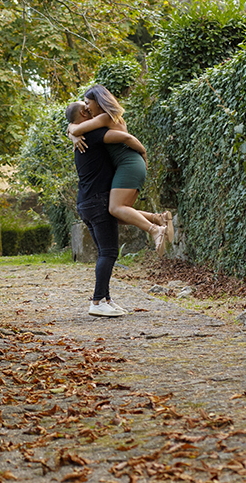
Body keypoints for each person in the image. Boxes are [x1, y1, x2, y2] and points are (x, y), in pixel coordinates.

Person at [68, 84, 173, 252]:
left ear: (98, 101)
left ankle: (155, 230)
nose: (86, 108)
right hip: (128, 164)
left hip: (129, 164)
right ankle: (159, 219)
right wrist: (72, 134)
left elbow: (78, 128)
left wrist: (143, 153)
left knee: (115, 208)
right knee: (114, 213)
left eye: (88, 103)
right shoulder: (108, 117)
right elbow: (76, 128)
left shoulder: (104, 117)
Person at [67, 100, 138, 317]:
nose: (91, 109)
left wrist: (71, 132)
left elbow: (72, 126)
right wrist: (142, 153)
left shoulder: (82, 137)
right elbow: (124, 137)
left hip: (86, 202)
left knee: (104, 253)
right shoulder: (93, 135)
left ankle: (106, 299)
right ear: (83, 113)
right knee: (109, 252)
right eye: (87, 107)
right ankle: (97, 302)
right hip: (98, 201)